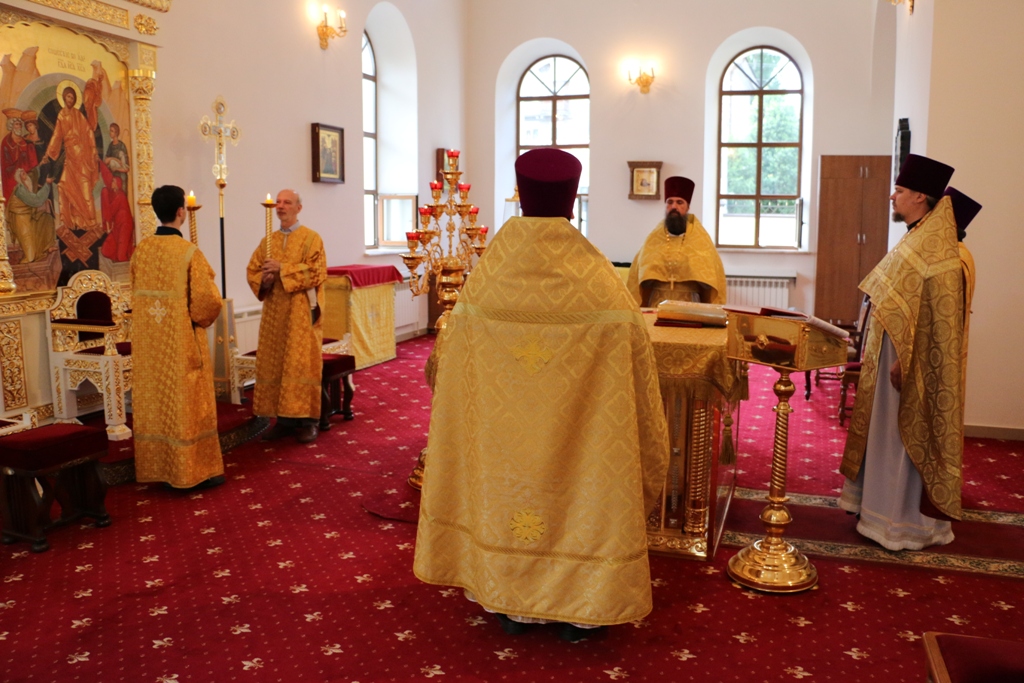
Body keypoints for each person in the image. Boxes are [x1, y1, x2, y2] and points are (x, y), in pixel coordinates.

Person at [414, 148, 670, 642]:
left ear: (522, 197)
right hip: (585, 444)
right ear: (572, 201)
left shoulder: (488, 280)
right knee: (580, 492)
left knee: (507, 494)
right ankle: (581, 609)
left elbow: (443, 362)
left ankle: (509, 598)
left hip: (503, 439)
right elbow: (637, 360)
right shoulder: (599, 281)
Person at [839, 154, 968, 550]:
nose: (892, 196)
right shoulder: (917, 236)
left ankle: (901, 522)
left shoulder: (936, 249)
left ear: (919, 196)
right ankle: (876, 509)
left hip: (904, 365)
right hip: (887, 358)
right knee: (883, 435)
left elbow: (935, 322)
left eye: (898, 190)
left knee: (900, 438)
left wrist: (907, 361)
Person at [131, 185, 225, 490]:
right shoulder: (188, 253)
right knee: (189, 404)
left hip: (150, 346)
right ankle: (193, 471)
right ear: (181, 212)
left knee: (157, 403)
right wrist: (199, 320)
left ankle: (159, 468)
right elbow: (207, 302)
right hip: (182, 344)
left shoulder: (141, 251)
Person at [245, 189, 327, 444]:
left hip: (300, 312)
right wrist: (265, 280)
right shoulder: (267, 241)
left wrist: (282, 269)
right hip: (274, 313)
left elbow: (317, 272)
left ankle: (309, 421)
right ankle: (283, 420)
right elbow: (253, 271)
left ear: (298, 208)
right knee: (277, 363)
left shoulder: (311, 238)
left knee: (301, 364)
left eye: (287, 202)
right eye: (278, 202)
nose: (280, 206)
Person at [626, 175, 727, 307]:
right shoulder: (653, 240)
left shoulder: (700, 240)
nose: (674, 206)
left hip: (689, 305)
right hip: (657, 304)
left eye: (679, 202)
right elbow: (639, 278)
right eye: (670, 202)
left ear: (687, 207)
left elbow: (711, 280)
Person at [5, 167, 55, 263]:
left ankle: (47, 247)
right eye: (23, 174)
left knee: (47, 218)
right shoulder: (20, 189)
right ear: (20, 178)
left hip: (28, 216)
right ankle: (29, 258)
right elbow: (36, 201)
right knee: (29, 253)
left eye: (25, 173)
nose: (26, 175)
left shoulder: (26, 187)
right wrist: (47, 185)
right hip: (20, 217)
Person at [1, 109, 37, 202]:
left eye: (20, 124)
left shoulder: (25, 142)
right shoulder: (6, 142)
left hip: (25, 176)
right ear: (11, 126)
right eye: (17, 124)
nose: (19, 127)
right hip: (11, 178)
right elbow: (6, 165)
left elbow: (32, 163)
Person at [103, 122, 130, 191]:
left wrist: (116, 169)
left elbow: (127, 168)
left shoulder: (122, 146)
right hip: (113, 179)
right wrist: (115, 159)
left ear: (116, 133)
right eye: (110, 130)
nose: (110, 132)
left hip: (121, 178)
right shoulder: (111, 146)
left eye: (112, 131)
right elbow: (105, 161)